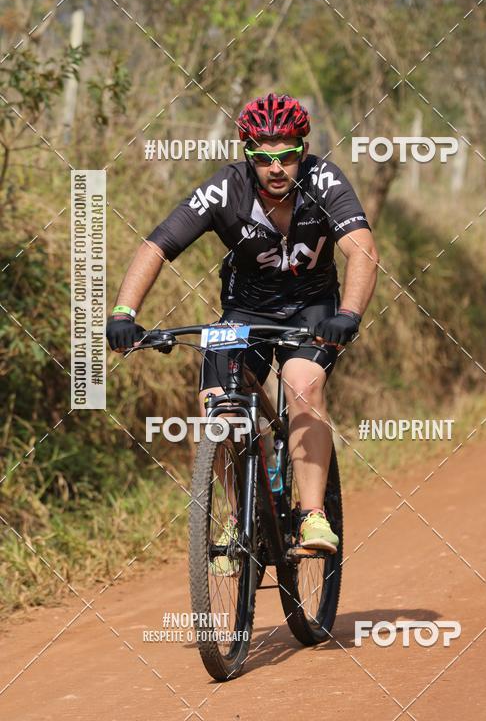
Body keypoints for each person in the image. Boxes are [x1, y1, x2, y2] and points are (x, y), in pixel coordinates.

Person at [106, 92, 378, 560]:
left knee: (301, 383)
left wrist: (348, 315)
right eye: (263, 157)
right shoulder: (225, 189)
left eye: (287, 156)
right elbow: (156, 246)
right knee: (217, 404)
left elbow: (362, 250)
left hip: (312, 309)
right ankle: (239, 516)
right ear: (247, 153)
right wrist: (123, 314)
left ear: (303, 151)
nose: (276, 168)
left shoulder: (325, 180)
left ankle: (313, 514)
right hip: (244, 313)